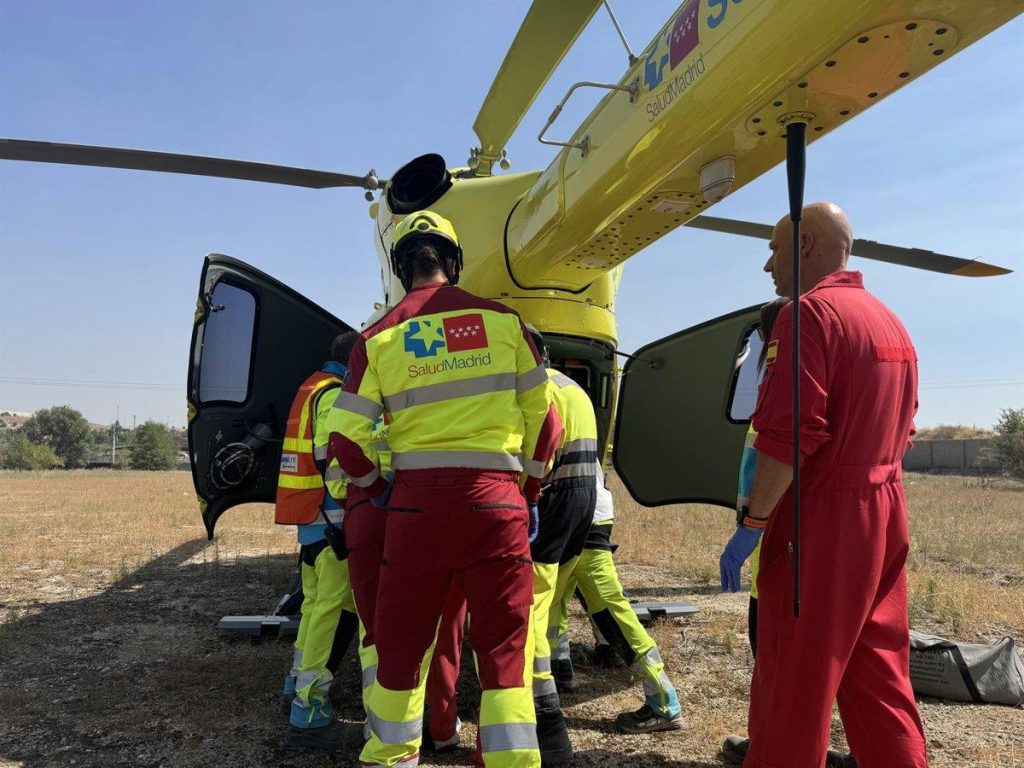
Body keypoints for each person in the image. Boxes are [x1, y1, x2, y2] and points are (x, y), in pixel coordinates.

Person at [325, 209, 557, 768]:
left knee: (401, 646)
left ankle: (390, 756)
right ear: (451, 262)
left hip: (415, 510)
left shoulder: (376, 339)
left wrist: (377, 487)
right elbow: (548, 425)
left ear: (402, 269)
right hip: (496, 505)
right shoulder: (505, 323)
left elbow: (346, 442)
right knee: (505, 650)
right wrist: (525, 489)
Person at [718, 202, 926, 768]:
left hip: (822, 518)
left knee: (794, 686)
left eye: (773, 248)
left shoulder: (804, 316)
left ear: (805, 246)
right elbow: (906, 427)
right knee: (879, 675)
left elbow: (787, 437)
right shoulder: (890, 321)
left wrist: (754, 523)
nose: (767, 266)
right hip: (885, 509)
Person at [345, 412, 468, 753]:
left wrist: (371, 491)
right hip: (430, 514)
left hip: (368, 513)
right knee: (445, 628)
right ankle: (442, 728)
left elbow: (341, 448)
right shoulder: (439, 403)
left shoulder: (360, 407)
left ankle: (379, 728)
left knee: (377, 631)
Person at [551, 467, 683, 734]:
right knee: (553, 598)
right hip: (572, 508)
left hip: (576, 512)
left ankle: (664, 700)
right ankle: (558, 671)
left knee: (608, 609)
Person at [277, 331, 360, 750]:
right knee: (331, 609)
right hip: (332, 521)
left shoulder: (311, 387)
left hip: (311, 521)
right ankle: (308, 714)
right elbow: (337, 458)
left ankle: (296, 685)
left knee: (314, 607)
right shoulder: (334, 395)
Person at [522, 327, 597, 765]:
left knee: (529, 608)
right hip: (586, 500)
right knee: (550, 603)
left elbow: (541, 456)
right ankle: (558, 671)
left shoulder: (541, 388)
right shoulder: (575, 388)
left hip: (554, 500)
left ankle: (545, 717)